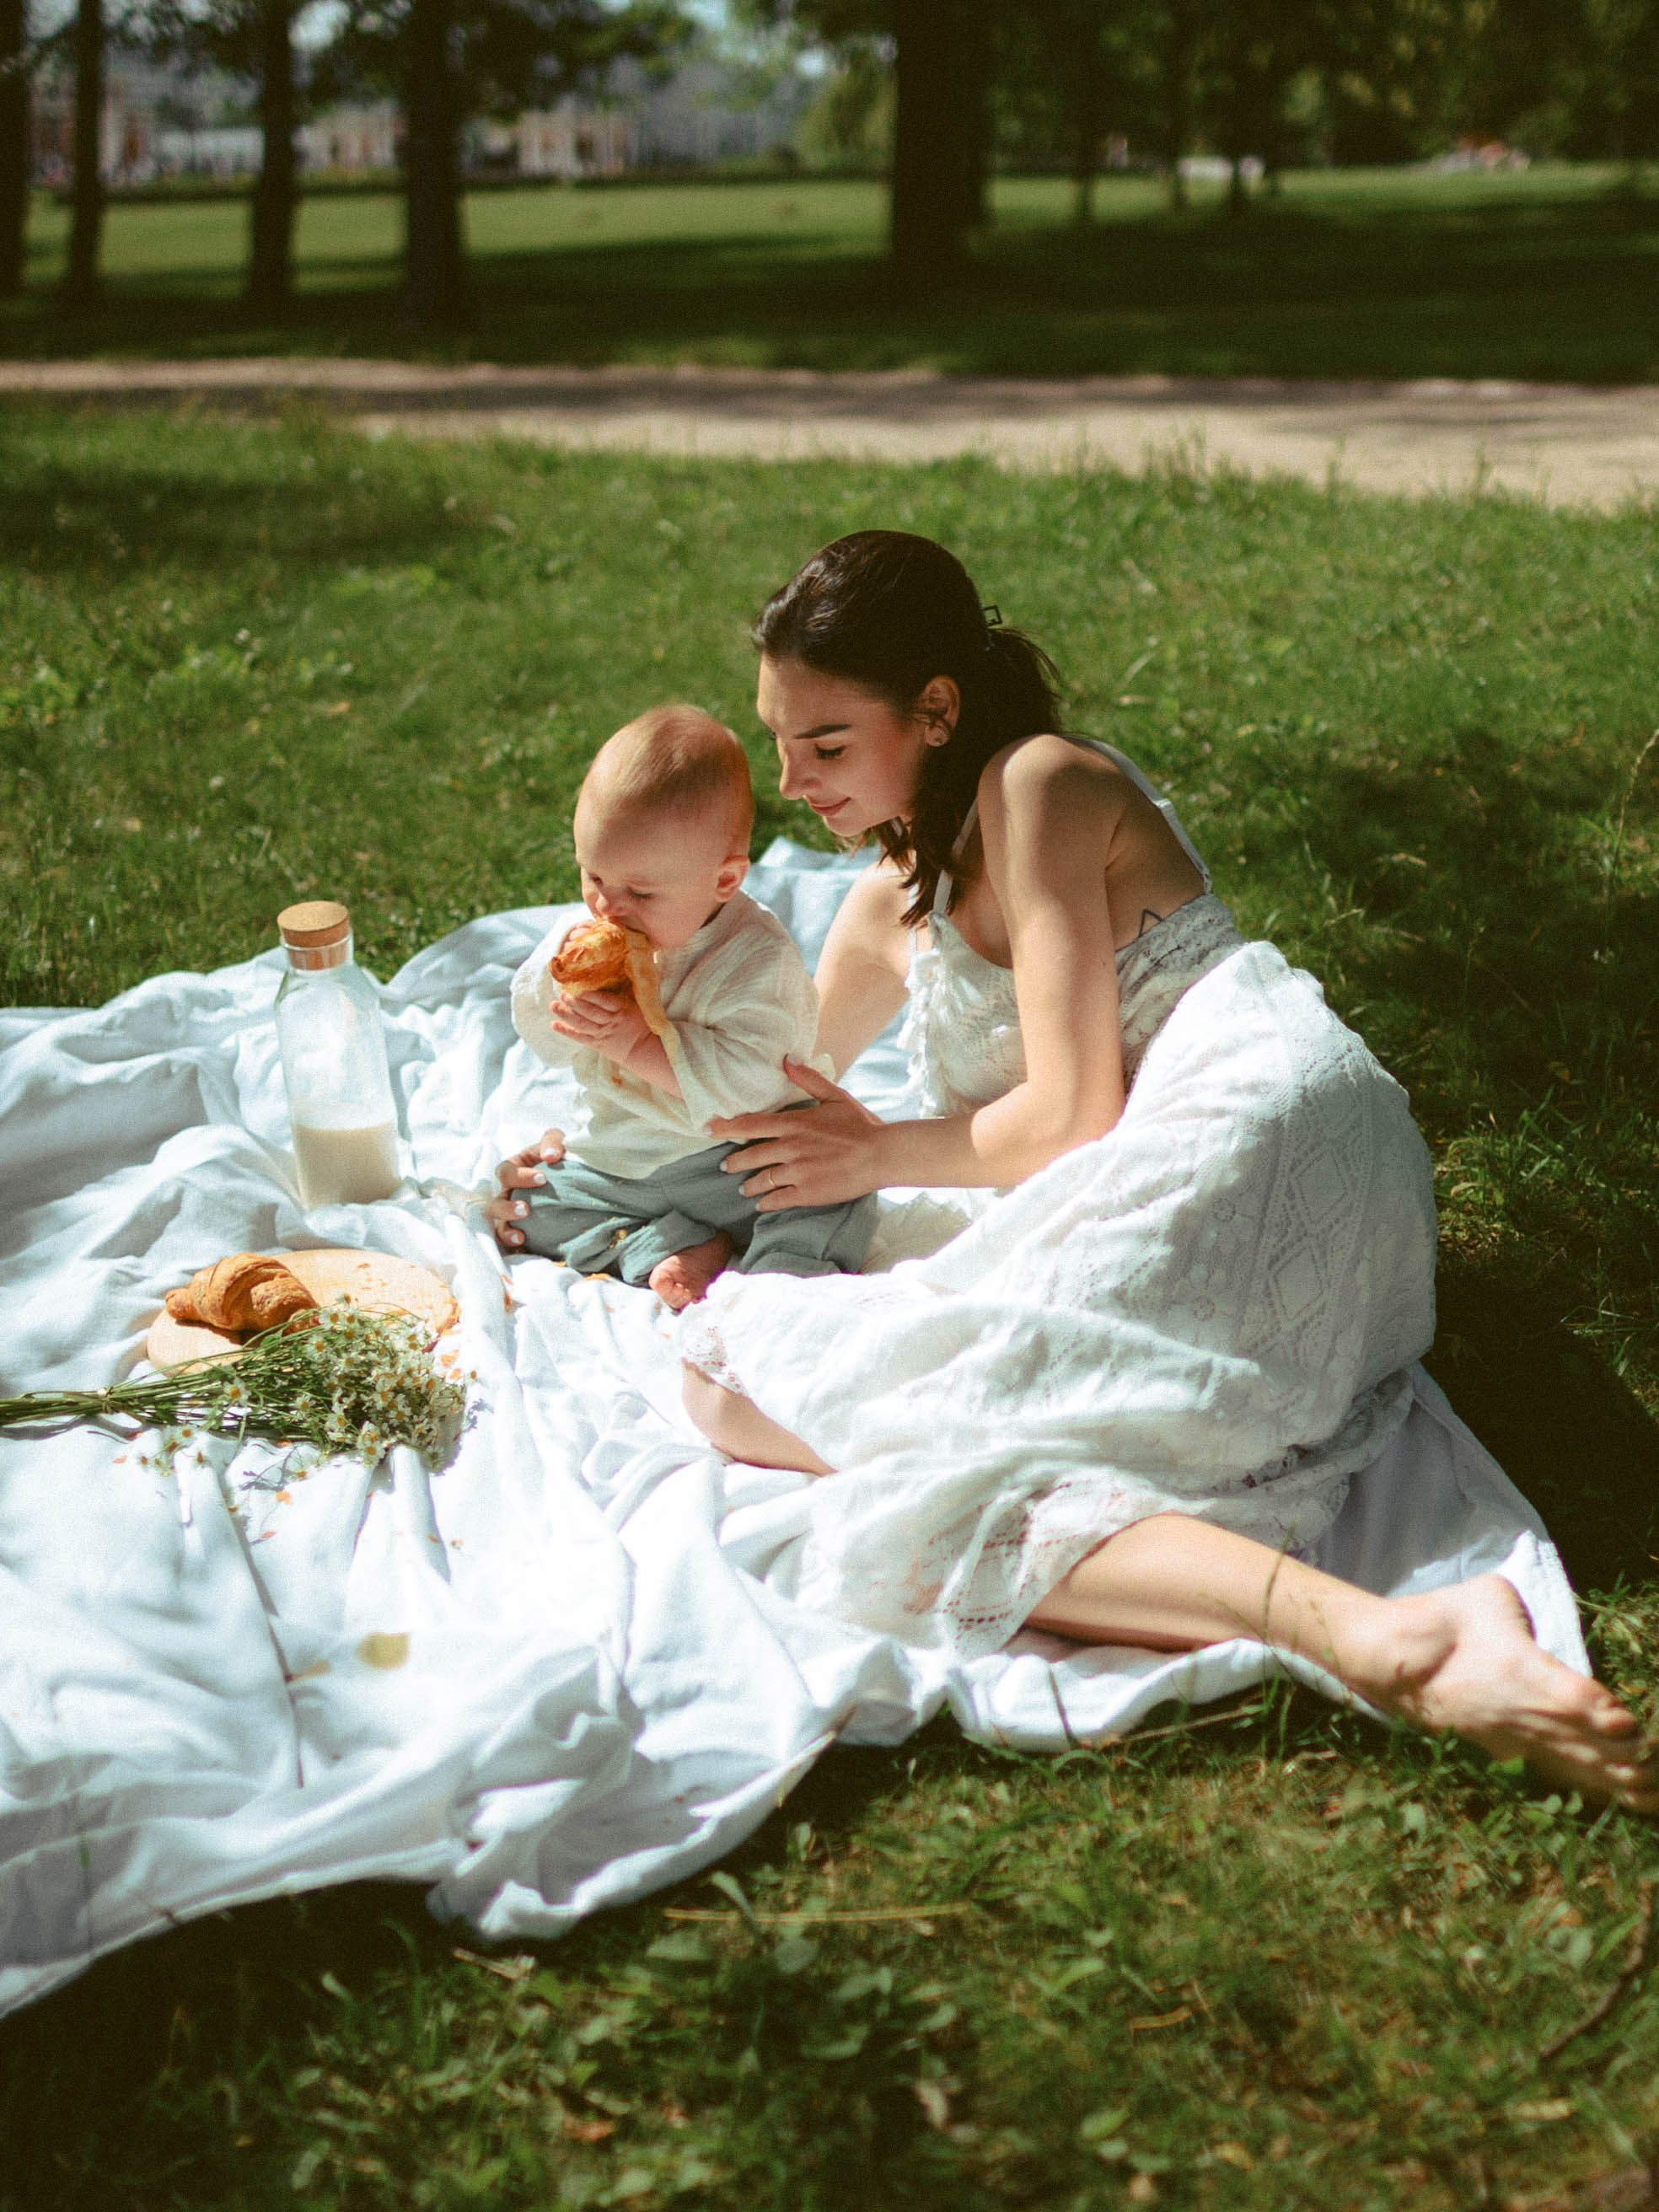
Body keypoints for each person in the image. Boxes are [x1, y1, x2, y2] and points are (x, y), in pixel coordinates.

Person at [491, 538, 1656, 1811]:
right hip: (1191, 1162)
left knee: (844, 1449)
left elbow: (1066, 1114)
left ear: (936, 711)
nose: (791, 784)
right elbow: (772, 1100)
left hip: (1257, 1106)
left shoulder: (1039, 784)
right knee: (767, 1403)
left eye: (827, 745)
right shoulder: (889, 904)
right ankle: (1397, 1638)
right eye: (779, 745)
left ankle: (1377, 1639)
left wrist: (875, 1151)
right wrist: (615, 1097)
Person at [507, 703, 875, 1310]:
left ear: (724, 881)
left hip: (734, 1161)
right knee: (522, 1206)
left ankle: (776, 1288)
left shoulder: (755, 960)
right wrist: (560, 992)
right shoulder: (590, 933)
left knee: (835, 1196)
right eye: (593, 876)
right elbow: (543, 1036)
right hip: (622, 1161)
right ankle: (666, 1245)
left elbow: (753, 1082)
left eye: (640, 892)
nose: (608, 908)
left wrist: (638, 1046)